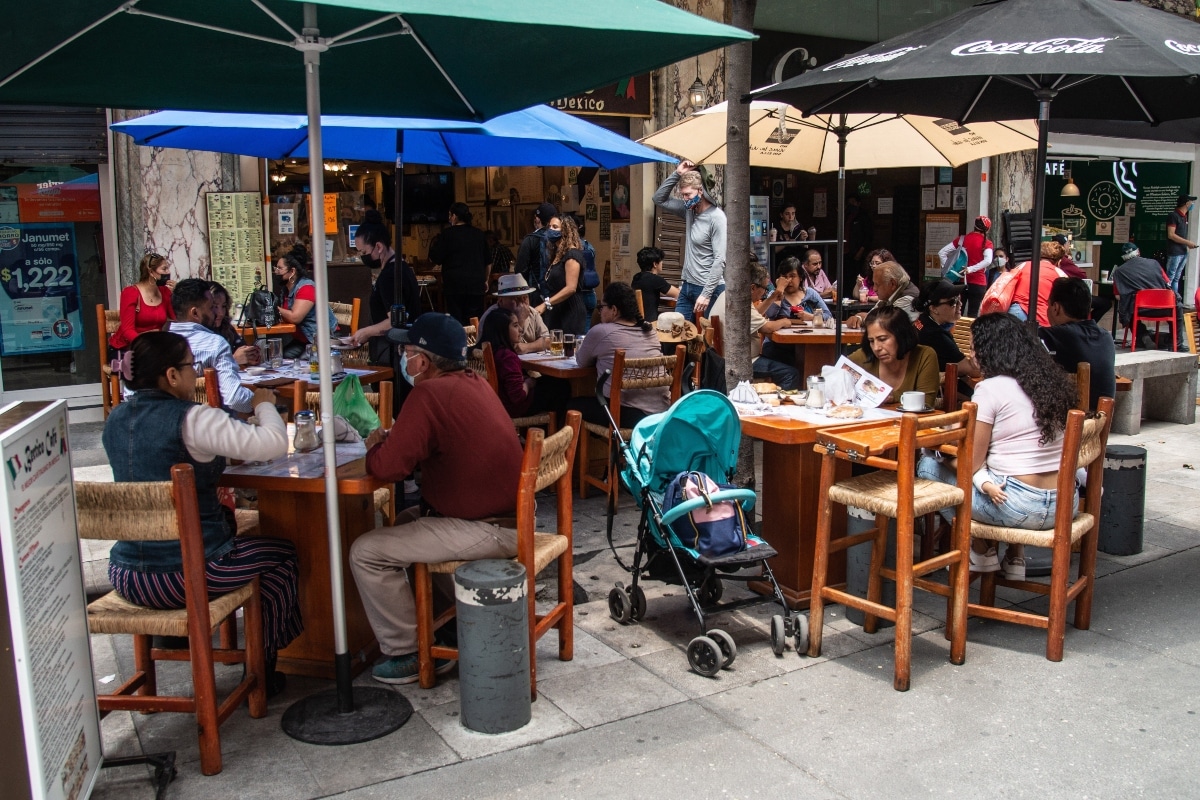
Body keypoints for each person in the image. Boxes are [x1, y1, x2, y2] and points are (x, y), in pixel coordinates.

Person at [104, 331, 299, 695]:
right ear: (171, 376)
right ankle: (264, 671)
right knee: (281, 556)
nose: (195, 372)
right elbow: (270, 444)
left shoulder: (115, 419)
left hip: (127, 574)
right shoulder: (192, 419)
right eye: (190, 366)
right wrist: (264, 403)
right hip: (186, 577)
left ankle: (176, 640)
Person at [350, 313, 524, 684]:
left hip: (488, 528)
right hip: (503, 518)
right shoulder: (474, 381)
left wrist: (375, 444)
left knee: (366, 552)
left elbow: (389, 467)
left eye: (407, 351)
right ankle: (442, 628)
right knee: (403, 525)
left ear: (423, 361)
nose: (404, 359)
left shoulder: (428, 393)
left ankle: (407, 650)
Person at [917, 313, 1077, 580]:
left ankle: (978, 547)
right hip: (1064, 503)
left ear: (992, 349)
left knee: (927, 465)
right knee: (996, 467)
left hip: (1017, 506)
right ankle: (1016, 556)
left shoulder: (991, 388)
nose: (969, 353)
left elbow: (972, 463)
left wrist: (942, 454)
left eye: (973, 346)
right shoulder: (1048, 382)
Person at [569, 282, 674, 426]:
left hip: (627, 414)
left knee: (570, 404)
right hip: (662, 413)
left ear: (614, 310)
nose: (599, 312)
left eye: (602, 307)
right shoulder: (650, 330)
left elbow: (581, 361)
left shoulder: (601, 331)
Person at [653, 160, 726, 322]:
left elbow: (720, 259)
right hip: (687, 285)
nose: (685, 199)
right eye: (683, 195)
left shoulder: (717, 217)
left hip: (710, 288)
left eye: (688, 195)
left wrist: (706, 294)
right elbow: (659, 199)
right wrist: (677, 173)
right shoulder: (689, 211)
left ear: (701, 191)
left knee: (708, 340)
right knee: (676, 333)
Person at [709, 263, 801, 390]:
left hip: (729, 357)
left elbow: (755, 314)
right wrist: (785, 321)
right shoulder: (741, 303)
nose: (764, 293)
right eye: (765, 288)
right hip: (741, 361)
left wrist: (773, 296)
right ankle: (779, 407)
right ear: (753, 288)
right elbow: (767, 328)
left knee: (784, 358)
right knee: (791, 374)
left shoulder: (732, 294)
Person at [168, 279, 255, 413]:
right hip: (212, 427)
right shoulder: (215, 344)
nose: (216, 313)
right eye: (211, 307)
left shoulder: (156, 343)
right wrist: (261, 401)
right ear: (195, 313)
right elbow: (234, 399)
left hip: (170, 424)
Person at [348, 210, 421, 362]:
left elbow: (395, 321)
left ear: (379, 247)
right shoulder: (402, 267)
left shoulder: (390, 276)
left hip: (392, 353)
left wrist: (367, 332)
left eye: (364, 252)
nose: (362, 257)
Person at [1040, 277, 1116, 410]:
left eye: (1048, 305)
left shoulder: (1060, 335)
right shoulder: (1105, 336)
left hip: (1073, 423)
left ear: (1056, 308)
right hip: (1098, 421)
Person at [478, 306, 568, 420]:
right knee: (561, 386)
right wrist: (528, 383)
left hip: (497, 403)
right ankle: (555, 431)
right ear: (503, 330)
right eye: (515, 326)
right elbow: (518, 396)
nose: (520, 329)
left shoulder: (491, 351)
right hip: (513, 408)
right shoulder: (507, 357)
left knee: (550, 381)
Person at [849, 306, 939, 407]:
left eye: (882, 339)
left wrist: (894, 397)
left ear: (901, 336)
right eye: (871, 341)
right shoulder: (864, 356)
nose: (876, 347)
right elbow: (833, 379)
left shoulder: (924, 356)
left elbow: (925, 404)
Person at [912, 280, 980, 398]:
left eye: (959, 299)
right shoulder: (936, 335)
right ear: (934, 308)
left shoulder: (922, 321)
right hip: (933, 393)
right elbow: (973, 370)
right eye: (953, 302)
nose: (960, 304)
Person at [1111, 242, 1184, 350]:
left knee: (1126, 307)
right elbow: (1168, 284)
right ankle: (1176, 343)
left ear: (1123, 257)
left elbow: (1118, 297)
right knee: (1177, 307)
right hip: (1165, 308)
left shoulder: (1119, 272)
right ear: (1138, 252)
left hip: (1140, 310)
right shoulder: (1154, 263)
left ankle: (1142, 335)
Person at [429, 202, 489, 324]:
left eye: (450, 215)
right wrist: (486, 279)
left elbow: (435, 258)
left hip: (454, 285)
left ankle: (459, 343)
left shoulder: (447, 234)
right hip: (476, 285)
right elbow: (488, 261)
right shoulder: (479, 234)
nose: (449, 218)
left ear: (455, 216)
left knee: (456, 321)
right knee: (474, 320)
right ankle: (474, 342)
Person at [273, 246, 339, 358]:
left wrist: (274, 308)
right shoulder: (286, 290)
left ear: (292, 271)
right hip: (303, 340)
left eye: (279, 268)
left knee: (301, 362)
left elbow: (295, 317)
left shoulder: (306, 287)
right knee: (282, 357)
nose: (276, 272)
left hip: (321, 339)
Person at [108, 252, 175, 354]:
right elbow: (127, 330)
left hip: (154, 345)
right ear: (151, 272)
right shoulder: (131, 293)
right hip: (128, 348)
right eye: (164, 269)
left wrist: (176, 294)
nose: (168, 272)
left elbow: (175, 318)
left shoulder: (164, 291)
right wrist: (146, 347)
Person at [533, 214, 587, 335]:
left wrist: (546, 304)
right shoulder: (556, 255)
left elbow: (571, 288)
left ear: (565, 231)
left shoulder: (572, 255)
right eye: (549, 226)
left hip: (570, 311)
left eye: (555, 227)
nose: (550, 230)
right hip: (557, 309)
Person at [478, 274, 550, 354]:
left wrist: (527, 347)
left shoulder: (533, 312)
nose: (523, 303)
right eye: (517, 299)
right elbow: (508, 348)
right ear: (501, 301)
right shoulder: (492, 317)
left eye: (525, 297)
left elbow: (548, 341)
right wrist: (521, 320)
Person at [938, 215, 992, 316]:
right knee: (973, 314)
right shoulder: (987, 243)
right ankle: (970, 332)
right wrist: (971, 269)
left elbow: (942, 252)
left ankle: (957, 332)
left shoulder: (962, 240)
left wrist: (949, 269)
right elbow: (988, 261)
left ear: (974, 226)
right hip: (978, 283)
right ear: (987, 230)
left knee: (957, 312)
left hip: (960, 282)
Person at [1051, 233, 1111, 321]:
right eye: (1067, 243)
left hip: (1057, 294)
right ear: (1063, 246)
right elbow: (1082, 274)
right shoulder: (1064, 260)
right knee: (1106, 303)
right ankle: (1088, 324)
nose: (1069, 246)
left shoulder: (1053, 259)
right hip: (1071, 295)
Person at [1009, 241, 1068, 327]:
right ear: (1058, 261)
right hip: (1041, 316)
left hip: (1016, 312)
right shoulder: (1060, 274)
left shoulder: (1022, 265)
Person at [846, 260, 919, 328]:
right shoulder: (888, 295)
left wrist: (861, 318)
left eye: (877, 284)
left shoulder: (908, 298)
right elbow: (872, 316)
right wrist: (859, 318)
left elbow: (884, 324)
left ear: (892, 284)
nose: (874, 289)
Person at [208, 282, 260, 367]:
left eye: (223, 306)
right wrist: (233, 360)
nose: (220, 313)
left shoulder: (227, 328)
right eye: (215, 307)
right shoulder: (198, 335)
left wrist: (250, 355)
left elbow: (240, 349)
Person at [514, 202, 558, 294]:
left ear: (537, 219)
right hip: (557, 292)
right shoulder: (559, 238)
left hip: (535, 291)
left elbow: (520, 270)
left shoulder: (529, 240)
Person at [631, 246, 679, 323]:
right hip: (651, 322)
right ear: (655, 264)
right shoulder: (655, 280)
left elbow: (649, 291)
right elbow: (678, 294)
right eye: (661, 261)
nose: (662, 263)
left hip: (637, 321)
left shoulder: (637, 277)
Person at [1165, 194, 1197, 295]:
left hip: (1183, 251)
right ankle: (1168, 300)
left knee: (1176, 277)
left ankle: (1175, 300)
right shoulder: (1173, 216)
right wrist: (1187, 242)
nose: (1193, 204)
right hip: (1175, 252)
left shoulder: (1184, 217)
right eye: (1191, 202)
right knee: (1170, 277)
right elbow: (1171, 235)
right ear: (1187, 203)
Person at [843, 194, 873, 288]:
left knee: (858, 275)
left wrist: (861, 251)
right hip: (846, 251)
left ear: (858, 203)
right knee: (847, 276)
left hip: (858, 252)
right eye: (849, 203)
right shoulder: (847, 216)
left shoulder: (863, 216)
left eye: (853, 203)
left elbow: (867, 236)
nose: (850, 205)